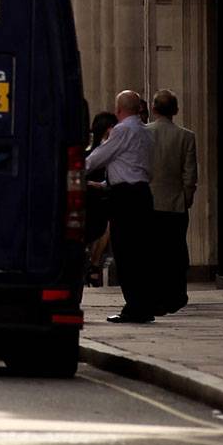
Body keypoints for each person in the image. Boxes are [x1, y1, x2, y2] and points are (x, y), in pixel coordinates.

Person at [85, 89, 157, 323]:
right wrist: (105, 183)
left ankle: (134, 307)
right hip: (142, 194)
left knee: (125, 251)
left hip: (125, 197)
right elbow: (135, 165)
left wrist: (75, 168)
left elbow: (98, 158)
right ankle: (143, 305)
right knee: (141, 252)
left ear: (118, 109)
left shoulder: (122, 130)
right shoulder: (145, 132)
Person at [146, 90, 199, 315]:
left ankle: (155, 294)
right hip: (176, 203)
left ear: (153, 109)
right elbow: (190, 173)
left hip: (149, 202)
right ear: (175, 111)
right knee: (176, 249)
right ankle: (176, 294)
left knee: (153, 251)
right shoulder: (186, 136)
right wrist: (186, 197)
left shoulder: (144, 134)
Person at [83, 111, 118, 287]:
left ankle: (92, 265)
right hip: (98, 197)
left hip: (94, 196)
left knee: (99, 229)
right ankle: (93, 265)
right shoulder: (105, 149)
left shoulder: (91, 149)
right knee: (102, 228)